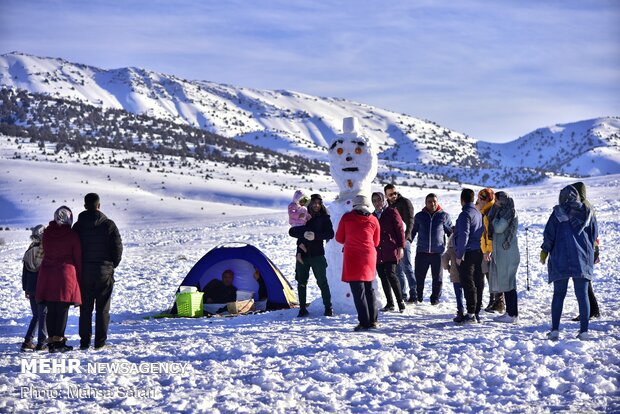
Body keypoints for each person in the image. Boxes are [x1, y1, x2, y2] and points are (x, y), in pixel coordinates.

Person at [541, 185, 597, 340]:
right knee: (582, 294)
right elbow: (594, 235)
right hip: (582, 258)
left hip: (560, 258)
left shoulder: (557, 212)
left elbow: (549, 235)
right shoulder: (587, 211)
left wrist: (545, 251)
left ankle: (555, 330)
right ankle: (584, 331)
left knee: (559, 294)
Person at [73, 193, 123, 350]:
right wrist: (112, 265)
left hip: (84, 272)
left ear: (85, 205)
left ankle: (84, 342)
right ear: (99, 206)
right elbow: (118, 248)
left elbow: (73, 248)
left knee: (85, 309)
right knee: (103, 308)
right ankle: (100, 343)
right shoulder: (108, 225)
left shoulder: (78, 226)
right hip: (104, 272)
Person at [36, 206, 82, 353]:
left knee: (51, 309)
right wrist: (79, 274)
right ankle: (59, 342)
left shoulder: (47, 233)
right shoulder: (72, 235)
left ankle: (51, 343)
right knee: (62, 309)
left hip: (48, 274)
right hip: (65, 274)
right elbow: (78, 257)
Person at [336, 195, 381, 331]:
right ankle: (373, 321)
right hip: (369, 256)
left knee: (358, 291)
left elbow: (339, 238)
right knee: (369, 289)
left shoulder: (347, 217)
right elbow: (377, 241)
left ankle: (364, 322)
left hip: (353, 257)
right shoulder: (373, 219)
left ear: (354, 205)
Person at [289, 193, 334, 317]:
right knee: (301, 282)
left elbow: (330, 234)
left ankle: (328, 307)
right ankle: (302, 308)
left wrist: (316, 236)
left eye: (319, 203)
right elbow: (292, 231)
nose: (316, 205)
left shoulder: (324, 218)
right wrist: (303, 233)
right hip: (302, 254)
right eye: (314, 203)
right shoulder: (302, 215)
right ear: (310, 204)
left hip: (317, 255)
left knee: (322, 282)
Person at [411, 193, 453, 304]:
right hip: (422, 252)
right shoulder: (419, 216)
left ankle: (435, 299)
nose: (432, 203)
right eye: (429, 201)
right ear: (425, 203)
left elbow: (450, 233)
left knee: (437, 279)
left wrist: (454, 246)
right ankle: (418, 298)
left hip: (437, 252)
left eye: (434, 201)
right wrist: (406, 242)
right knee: (419, 277)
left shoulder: (444, 216)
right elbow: (412, 232)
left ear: (437, 202)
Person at [487, 191, 520, 323]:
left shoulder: (509, 212)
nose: (496, 202)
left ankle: (512, 314)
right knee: (507, 282)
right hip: (503, 252)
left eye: (497, 200)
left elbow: (499, 228)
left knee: (509, 283)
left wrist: (494, 220)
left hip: (507, 252)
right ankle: (511, 313)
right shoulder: (502, 211)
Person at [453, 189, 484, 324]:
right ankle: (476, 311)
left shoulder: (465, 214)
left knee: (468, 282)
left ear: (462, 199)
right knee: (478, 281)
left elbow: (463, 235)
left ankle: (471, 313)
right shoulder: (478, 213)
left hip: (468, 253)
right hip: (478, 251)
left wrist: (459, 255)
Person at [371, 192, 406, 313]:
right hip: (378, 251)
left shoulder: (391, 212)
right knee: (382, 276)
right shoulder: (372, 216)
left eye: (379, 200)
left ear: (384, 200)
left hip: (391, 249)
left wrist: (401, 247)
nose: (377, 203)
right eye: (374, 200)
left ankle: (400, 301)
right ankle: (390, 303)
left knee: (391, 274)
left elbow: (400, 229)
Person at [570, 181, 600, 320]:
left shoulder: (583, 208)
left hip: (585, 248)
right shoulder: (587, 205)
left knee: (583, 282)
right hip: (590, 248)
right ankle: (592, 310)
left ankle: (589, 311)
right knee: (585, 281)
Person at [384, 184, 416, 302]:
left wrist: (405, 239)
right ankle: (402, 295)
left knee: (406, 267)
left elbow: (410, 222)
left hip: (404, 240)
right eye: (391, 194)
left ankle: (414, 294)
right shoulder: (387, 206)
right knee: (397, 270)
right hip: (393, 242)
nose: (394, 196)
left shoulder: (405, 202)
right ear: (386, 196)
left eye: (395, 193)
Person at [21, 224, 48, 352]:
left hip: (30, 288)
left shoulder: (29, 249)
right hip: (41, 286)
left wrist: (25, 288)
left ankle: (28, 341)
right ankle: (42, 343)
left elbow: (25, 271)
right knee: (42, 314)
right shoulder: (44, 250)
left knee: (36, 315)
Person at [478, 188, 505, 314]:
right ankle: (496, 301)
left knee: (494, 276)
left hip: (492, 250)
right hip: (492, 249)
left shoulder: (490, 212)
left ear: (484, 200)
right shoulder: (488, 210)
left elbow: (490, 234)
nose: (478, 202)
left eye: (479, 199)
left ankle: (498, 302)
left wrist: (488, 250)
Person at [442, 229, 464, 321]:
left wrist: (448, 267)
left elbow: (443, 258)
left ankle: (460, 310)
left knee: (458, 294)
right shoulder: (465, 247)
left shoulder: (450, 249)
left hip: (455, 274)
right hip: (467, 273)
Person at [288, 190, 310, 264]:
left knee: (303, 235)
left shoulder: (303, 208)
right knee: (303, 234)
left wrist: (308, 217)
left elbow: (306, 214)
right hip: (295, 224)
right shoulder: (292, 205)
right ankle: (300, 245)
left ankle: (299, 253)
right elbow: (291, 214)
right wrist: (298, 215)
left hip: (302, 224)